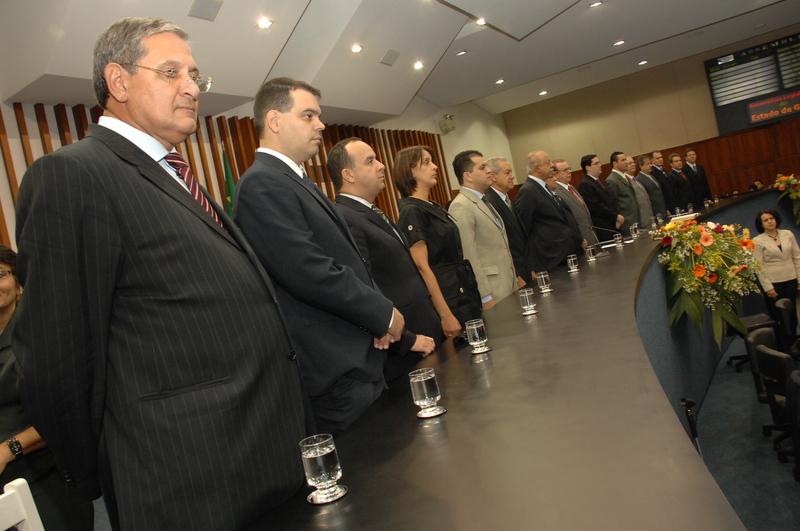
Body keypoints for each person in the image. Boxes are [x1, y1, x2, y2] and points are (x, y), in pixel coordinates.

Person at [13, 18, 307, 530]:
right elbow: (56, 358)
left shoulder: (172, 171)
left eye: (194, 75)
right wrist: (101, 475)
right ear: (119, 82)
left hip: (264, 448)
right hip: (186, 475)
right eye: (171, 73)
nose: (192, 88)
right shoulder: (73, 174)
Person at [234, 78, 404, 434]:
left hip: (358, 356)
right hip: (334, 367)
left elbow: (351, 262)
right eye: (308, 115)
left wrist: (379, 316)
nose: (321, 125)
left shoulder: (294, 180)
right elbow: (309, 271)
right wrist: (382, 313)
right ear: (275, 120)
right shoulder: (261, 182)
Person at [329, 137, 439, 381]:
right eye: (370, 161)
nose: (381, 166)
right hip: (403, 345)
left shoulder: (371, 211)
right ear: (348, 175)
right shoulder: (345, 218)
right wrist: (407, 340)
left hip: (422, 328)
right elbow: (362, 286)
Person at [0, 246, 93, 530]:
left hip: (41, 474)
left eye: (1, 274)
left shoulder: (41, 334)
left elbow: (68, 409)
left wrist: (8, 450)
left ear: (18, 283)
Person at [395, 146, 481, 339]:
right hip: (447, 297)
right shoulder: (411, 211)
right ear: (410, 170)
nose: (434, 166)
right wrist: (445, 315)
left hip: (462, 289)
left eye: (432, 161)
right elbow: (421, 267)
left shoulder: (432, 206)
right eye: (426, 162)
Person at [448, 150, 518, 309]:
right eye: (482, 167)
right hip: (492, 292)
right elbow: (469, 256)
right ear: (468, 176)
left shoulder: (483, 200)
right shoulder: (461, 206)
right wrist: (485, 297)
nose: (489, 170)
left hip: (507, 285)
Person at [515, 150, 585, 272]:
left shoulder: (544, 187)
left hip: (567, 254)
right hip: (552, 259)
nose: (552, 165)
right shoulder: (528, 191)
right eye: (548, 163)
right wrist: (530, 266)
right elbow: (523, 229)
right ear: (537, 167)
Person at [485, 156, 532, 286]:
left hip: (526, 269)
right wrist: (516, 275)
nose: (512, 176)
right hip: (514, 276)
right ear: (493, 176)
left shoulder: (505, 198)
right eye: (507, 173)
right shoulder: (490, 202)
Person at [753, 209, 800, 333]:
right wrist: (768, 287)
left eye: (771, 218)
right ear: (761, 224)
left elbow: (797, 257)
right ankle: (783, 343)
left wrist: (799, 279)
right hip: (774, 283)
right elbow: (759, 266)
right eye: (766, 220)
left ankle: (794, 341)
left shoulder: (788, 234)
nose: (770, 222)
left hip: (791, 279)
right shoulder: (758, 241)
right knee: (779, 316)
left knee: (792, 315)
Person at [552, 159, 599, 246]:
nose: (569, 172)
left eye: (569, 168)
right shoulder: (557, 192)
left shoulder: (572, 187)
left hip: (591, 234)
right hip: (579, 239)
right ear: (556, 174)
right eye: (565, 170)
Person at [577, 153, 623, 242]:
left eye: (599, 162)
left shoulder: (601, 180)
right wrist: (615, 216)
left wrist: (617, 217)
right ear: (588, 167)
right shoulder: (585, 184)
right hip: (603, 227)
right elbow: (596, 206)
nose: (600, 165)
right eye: (596, 163)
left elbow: (612, 200)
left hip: (614, 223)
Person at [605, 151, 640, 234]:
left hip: (635, 219)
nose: (626, 162)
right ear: (615, 163)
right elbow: (613, 203)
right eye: (623, 160)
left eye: (625, 159)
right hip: (626, 222)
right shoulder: (612, 180)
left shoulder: (624, 176)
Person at [635, 155, 668, 221]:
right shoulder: (639, 179)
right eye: (648, 164)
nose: (651, 165)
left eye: (650, 163)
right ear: (641, 166)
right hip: (654, 212)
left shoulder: (652, 176)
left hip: (662, 210)